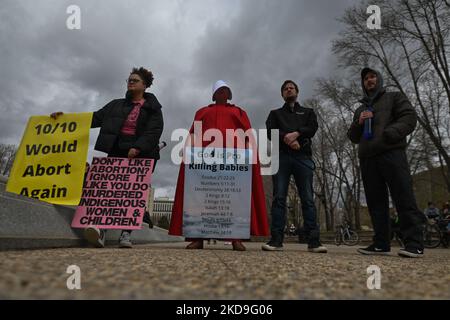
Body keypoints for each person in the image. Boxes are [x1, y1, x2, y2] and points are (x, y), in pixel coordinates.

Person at [51, 67, 164, 248]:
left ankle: (125, 235)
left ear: (145, 85)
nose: (130, 82)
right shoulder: (115, 105)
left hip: (141, 155)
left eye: (135, 80)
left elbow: (154, 131)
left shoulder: (154, 109)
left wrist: (138, 147)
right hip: (117, 150)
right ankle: (100, 231)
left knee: (131, 195)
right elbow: (94, 118)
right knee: (108, 193)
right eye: (129, 79)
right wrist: (65, 119)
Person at [168, 80, 269, 251]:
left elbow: (247, 134)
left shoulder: (239, 112)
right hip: (205, 161)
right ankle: (197, 237)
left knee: (234, 198)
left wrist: (247, 154)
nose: (222, 93)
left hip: (233, 160)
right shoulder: (202, 111)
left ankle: (236, 237)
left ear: (229, 94)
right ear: (213, 95)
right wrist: (189, 152)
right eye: (219, 91)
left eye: (225, 91)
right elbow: (194, 132)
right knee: (200, 199)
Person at [348, 67, 425, 258]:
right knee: (375, 202)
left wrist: (390, 133)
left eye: (373, 77)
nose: (369, 80)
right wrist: (358, 122)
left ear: (379, 80)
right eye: (366, 78)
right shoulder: (360, 108)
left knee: (403, 196)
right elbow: (352, 136)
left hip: (391, 152)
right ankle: (381, 243)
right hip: (367, 158)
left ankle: (414, 243)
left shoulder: (394, 97)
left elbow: (409, 118)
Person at [262, 80, 327, 253]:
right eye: (285, 88)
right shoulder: (274, 113)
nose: (289, 90)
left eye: (291, 87)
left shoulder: (308, 112)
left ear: (297, 91)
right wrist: (288, 140)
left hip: (303, 158)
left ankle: (314, 242)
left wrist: (297, 134)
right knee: (279, 198)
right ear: (282, 94)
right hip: (281, 158)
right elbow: (270, 131)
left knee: (307, 198)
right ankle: (276, 240)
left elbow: (312, 128)